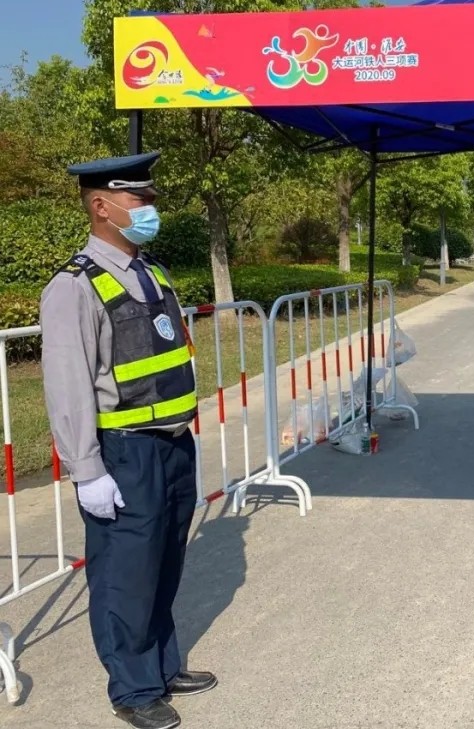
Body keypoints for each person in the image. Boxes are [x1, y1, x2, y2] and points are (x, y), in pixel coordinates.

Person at [40, 152, 216, 729]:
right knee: (126, 573)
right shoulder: (74, 287)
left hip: (172, 444)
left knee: (164, 561)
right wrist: (86, 470)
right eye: (139, 200)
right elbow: (69, 387)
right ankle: (133, 689)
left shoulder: (151, 271)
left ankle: (162, 667)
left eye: (149, 199)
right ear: (102, 206)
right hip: (124, 451)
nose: (149, 209)